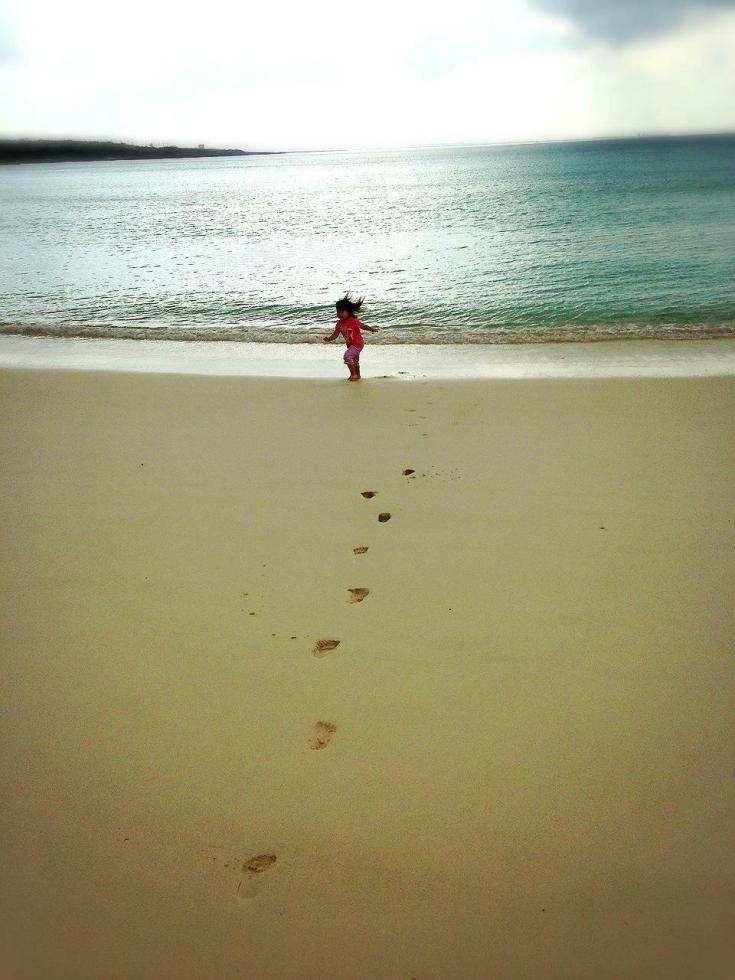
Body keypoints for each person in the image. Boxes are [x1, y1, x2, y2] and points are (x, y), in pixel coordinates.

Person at [323, 293, 378, 381]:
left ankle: (353, 375)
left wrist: (371, 329)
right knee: (355, 360)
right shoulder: (339, 323)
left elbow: (363, 326)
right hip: (350, 345)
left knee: (347, 356)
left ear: (348, 311)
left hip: (358, 344)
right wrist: (329, 338)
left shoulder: (353, 321)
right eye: (338, 312)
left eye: (342, 312)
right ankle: (358, 375)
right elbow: (335, 334)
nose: (339, 314)